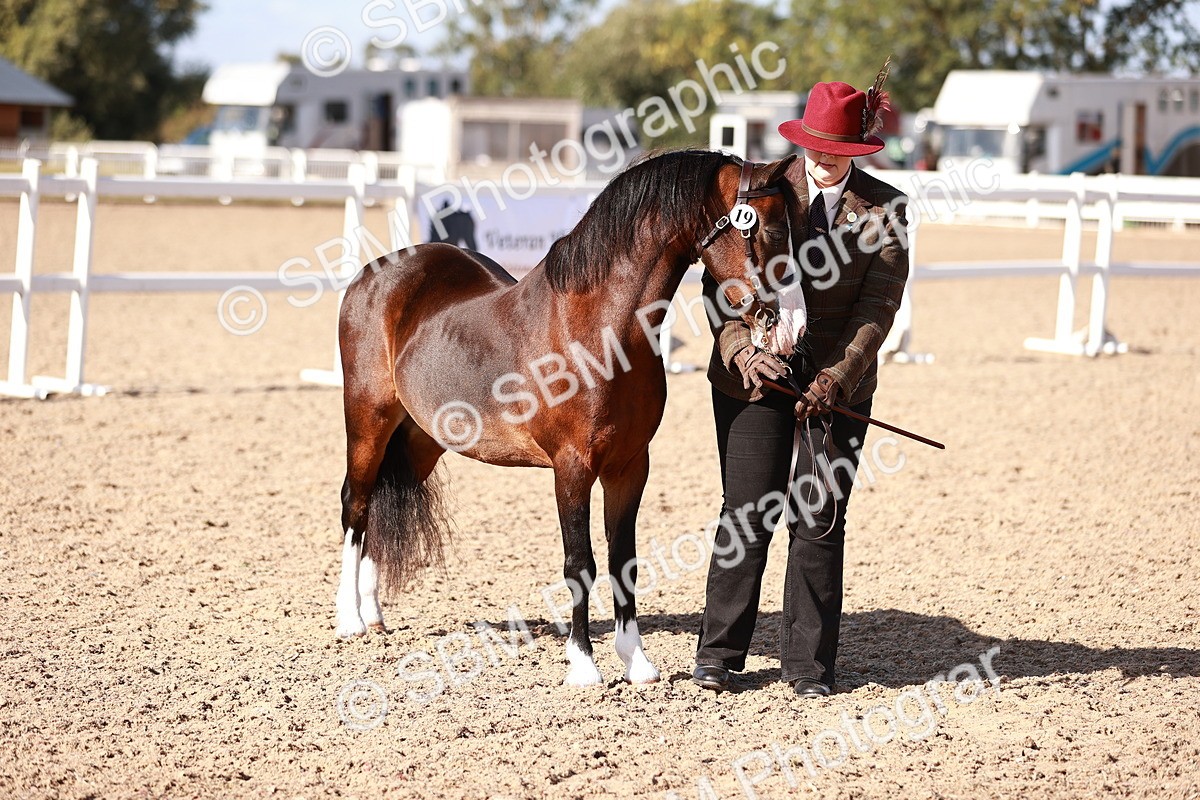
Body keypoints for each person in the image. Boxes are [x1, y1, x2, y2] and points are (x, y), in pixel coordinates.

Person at [693, 71, 909, 697]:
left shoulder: (886, 208)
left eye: (833, 148)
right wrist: (739, 350)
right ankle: (719, 653)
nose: (821, 156)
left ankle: (809, 666)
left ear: (854, 149)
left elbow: (877, 307)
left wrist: (838, 379)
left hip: (837, 388)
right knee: (746, 512)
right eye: (813, 143)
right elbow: (721, 286)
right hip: (754, 382)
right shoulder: (756, 189)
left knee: (819, 518)